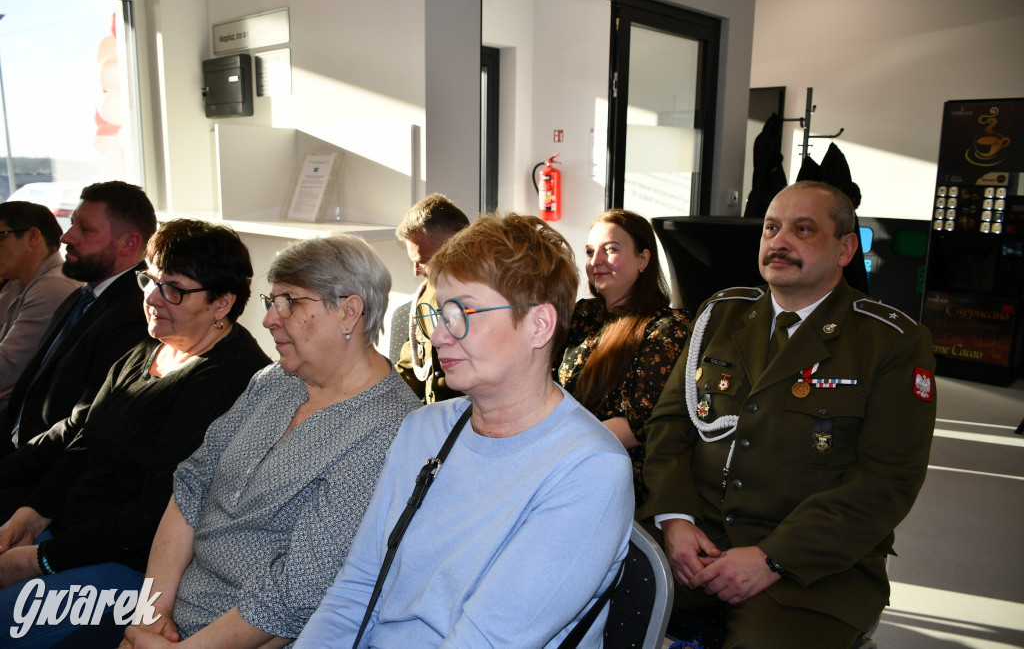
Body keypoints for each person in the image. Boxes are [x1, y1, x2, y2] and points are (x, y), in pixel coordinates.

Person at [297, 213, 634, 649]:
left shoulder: (590, 470)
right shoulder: (424, 429)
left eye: (463, 312)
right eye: (439, 312)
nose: (438, 335)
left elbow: (487, 640)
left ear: (539, 325)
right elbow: (356, 588)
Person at [640, 181, 937, 647]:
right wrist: (675, 520)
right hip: (695, 537)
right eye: (771, 228)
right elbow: (670, 425)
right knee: (577, 600)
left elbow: (887, 480)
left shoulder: (890, 342)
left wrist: (772, 558)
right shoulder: (720, 314)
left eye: (803, 229)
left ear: (845, 249)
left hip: (812, 566)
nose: (779, 242)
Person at [117, 234, 420, 649]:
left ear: (349, 312)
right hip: (166, 623)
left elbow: (299, 592)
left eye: (289, 302)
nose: (268, 320)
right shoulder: (276, 380)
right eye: (271, 301)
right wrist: (151, 617)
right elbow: (191, 486)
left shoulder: (389, 427)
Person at [0, 218, 270, 648]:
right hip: (73, 536)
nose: (152, 298)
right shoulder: (152, 345)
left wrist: (39, 559)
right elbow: (85, 440)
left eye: (174, 289)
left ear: (222, 303)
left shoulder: (229, 378)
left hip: (137, 564)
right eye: (150, 280)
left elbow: (156, 511)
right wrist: (33, 514)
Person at [0, 181, 156, 455]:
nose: (66, 237)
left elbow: (82, 426)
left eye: (85, 229)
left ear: (129, 243)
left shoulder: (137, 313)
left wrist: (10, 467)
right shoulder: (83, 295)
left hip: (44, 464)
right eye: (73, 223)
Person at [556, 209, 688, 506]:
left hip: (613, 478)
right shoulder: (583, 314)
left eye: (611, 249)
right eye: (590, 252)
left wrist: (554, 449)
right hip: (563, 461)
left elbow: (636, 425)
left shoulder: (665, 327)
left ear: (643, 260)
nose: (595, 261)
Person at [0, 202, 80, 414]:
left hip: (22, 419)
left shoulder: (53, 286)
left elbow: (7, 368)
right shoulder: (17, 283)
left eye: (1, 237)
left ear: (33, 237)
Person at [394, 193, 469, 403]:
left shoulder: (491, 301)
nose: (416, 272)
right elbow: (413, 367)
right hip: (432, 414)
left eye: (423, 261)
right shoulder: (426, 296)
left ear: (456, 246)